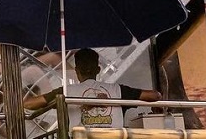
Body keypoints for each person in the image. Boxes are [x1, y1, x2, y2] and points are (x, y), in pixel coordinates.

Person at [23, 48, 161, 130]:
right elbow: (154, 96)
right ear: (98, 70)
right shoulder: (117, 90)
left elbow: (29, 105)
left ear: (77, 71)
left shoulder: (66, 92)